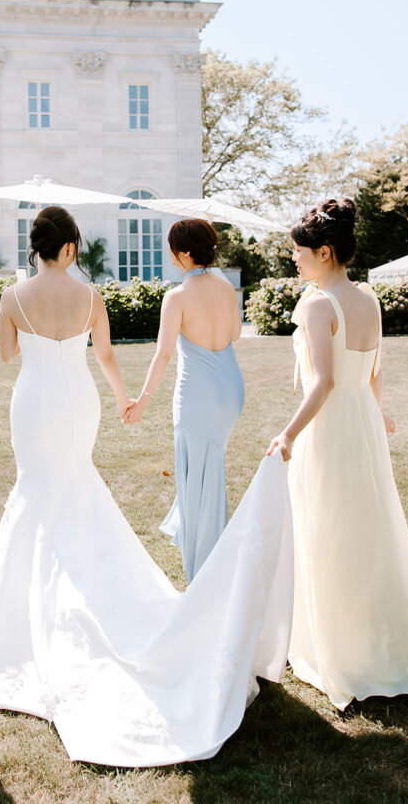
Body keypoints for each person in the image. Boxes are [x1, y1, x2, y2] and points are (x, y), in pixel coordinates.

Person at [0, 207, 293, 767]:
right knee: (74, 484)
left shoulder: (12, 298)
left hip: (34, 403)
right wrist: (120, 398)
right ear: (70, 247)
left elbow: (7, 355)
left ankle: (29, 610)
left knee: (37, 490)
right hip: (80, 402)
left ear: (37, 247)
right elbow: (106, 355)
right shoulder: (90, 298)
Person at [267, 198, 408, 710]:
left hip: (331, 425)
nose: (294, 259)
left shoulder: (319, 305)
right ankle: (364, 636)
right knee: (364, 527)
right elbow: (373, 373)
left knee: (328, 529)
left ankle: (338, 647)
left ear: (325, 251)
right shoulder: (370, 300)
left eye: (299, 252)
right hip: (359, 422)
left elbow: (324, 382)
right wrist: (376, 415)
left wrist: (290, 434)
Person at [124, 219, 244, 580]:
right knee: (209, 475)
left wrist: (142, 401)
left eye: (173, 247)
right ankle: (211, 560)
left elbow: (163, 354)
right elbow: (236, 332)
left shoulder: (176, 296)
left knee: (195, 481)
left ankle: (202, 576)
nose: (170, 254)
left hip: (198, 396)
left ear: (186, 252)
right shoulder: (225, 287)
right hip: (230, 391)